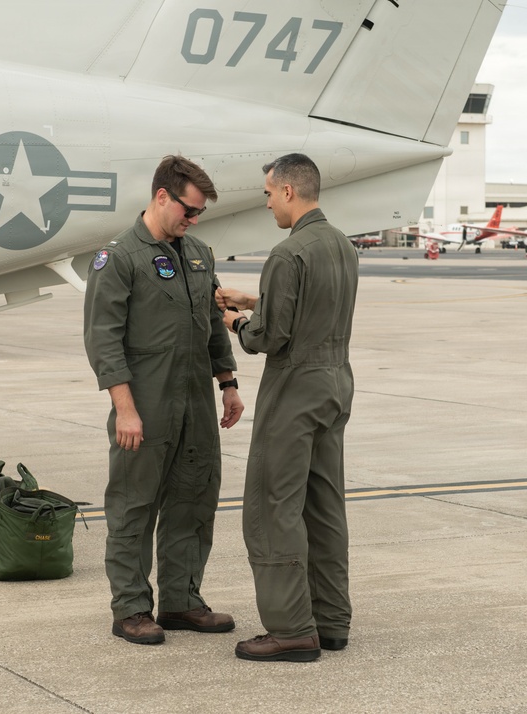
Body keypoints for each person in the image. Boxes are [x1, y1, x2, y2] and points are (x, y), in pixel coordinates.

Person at [84, 155, 244, 646]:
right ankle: (131, 608)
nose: (193, 220)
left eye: (199, 213)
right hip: (146, 403)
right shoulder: (118, 258)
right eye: (188, 210)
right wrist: (125, 409)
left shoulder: (198, 253)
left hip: (195, 401)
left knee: (193, 500)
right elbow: (103, 339)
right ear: (161, 196)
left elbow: (213, 322)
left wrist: (228, 382)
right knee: (134, 506)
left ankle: (181, 601)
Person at [216, 153, 358, 662]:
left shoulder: (287, 253)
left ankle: (291, 628)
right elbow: (310, 307)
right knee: (324, 506)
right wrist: (254, 300)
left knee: (273, 507)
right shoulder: (342, 246)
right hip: (335, 383)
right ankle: (331, 621)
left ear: (289, 191)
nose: (268, 204)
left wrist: (237, 322)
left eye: (269, 194)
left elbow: (270, 337)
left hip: (295, 389)